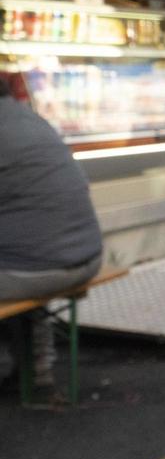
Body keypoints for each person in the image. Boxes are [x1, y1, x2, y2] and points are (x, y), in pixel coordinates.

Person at [0, 77, 103, 398]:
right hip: (86, 257)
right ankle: (36, 368)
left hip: (38, 270)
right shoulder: (28, 119)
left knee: (22, 262)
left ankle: (30, 367)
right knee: (24, 255)